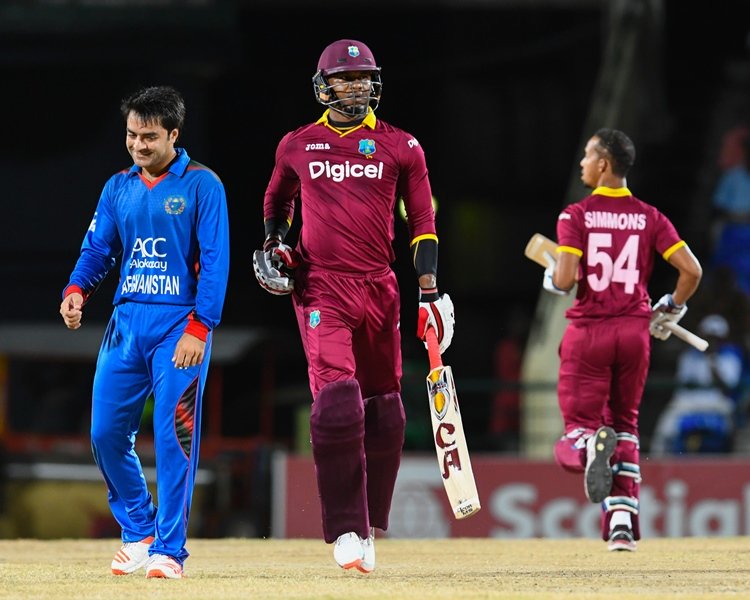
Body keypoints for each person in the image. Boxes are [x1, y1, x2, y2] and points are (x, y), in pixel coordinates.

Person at [252, 39, 454, 572]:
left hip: (381, 287)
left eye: (365, 78)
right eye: (347, 78)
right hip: (322, 286)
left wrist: (430, 289)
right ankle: (344, 527)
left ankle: (367, 523)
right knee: (338, 401)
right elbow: (277, 200)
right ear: (325, 85)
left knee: (386, 412)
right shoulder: (298, 144)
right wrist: (276, 241)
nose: (358, 86)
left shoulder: (403, 146)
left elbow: (424, 220)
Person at [59, 86, 229, 579]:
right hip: (126, 323)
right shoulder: (118, 186)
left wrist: (200, 327)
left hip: (181, 326)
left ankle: (170, 551)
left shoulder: (202, 185)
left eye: (149, 137)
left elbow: (216, 263)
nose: (138, 145)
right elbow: (98, 250)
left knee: (174, 437)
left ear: (174, 134)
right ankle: (139, 531)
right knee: (105, 433)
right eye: (131, 135)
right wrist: (76, 289)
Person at [542, 128, 702, 552]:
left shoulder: (575, 215)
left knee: (575, 435)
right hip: (635, 333)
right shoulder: (651, 216)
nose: (581, 163)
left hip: (590, 332)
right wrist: (670, 307)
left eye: (587, 155)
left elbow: (564, 279)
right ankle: (622, 527)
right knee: (625, 428)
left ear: (604, 165)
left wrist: (552, 277)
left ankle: (590, 454)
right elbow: (692, 272)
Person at [650, 314, 744, 455]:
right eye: (708, 336)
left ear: (722, 338)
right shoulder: (689, 356)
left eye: (715, 338)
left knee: (735, 428)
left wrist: (712, 360)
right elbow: (682, 384)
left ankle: (735, 460)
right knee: (666, 425)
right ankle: (656, 458)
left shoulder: (730, 356)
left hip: (718, 402)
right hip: (689, 401)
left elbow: (728, 387)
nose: (711, 341)